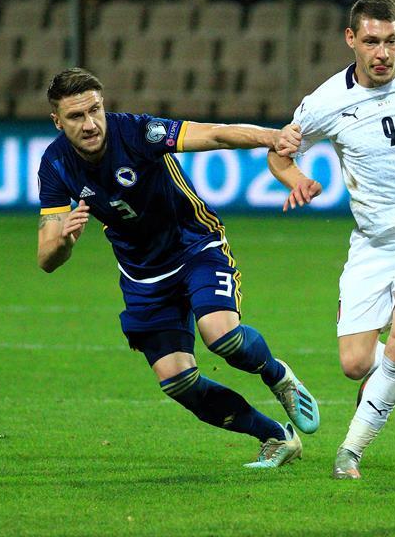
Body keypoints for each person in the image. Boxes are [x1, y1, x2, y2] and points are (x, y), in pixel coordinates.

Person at [37, 67, 319, 469]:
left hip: (194, 246)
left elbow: (215, 133)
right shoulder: (55, 164)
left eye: (95, 110)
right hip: (142, 275)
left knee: (221, 336)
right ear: (57, 121)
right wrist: (64, 240)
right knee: (177, 382)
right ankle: (275, 437)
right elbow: (46, 259)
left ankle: (278, 376)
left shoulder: (137, 133)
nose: (90, 124)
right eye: (76, 117)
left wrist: (272, 137)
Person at [268, 0, 395, 479]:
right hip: (372, 241)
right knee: (355, 363)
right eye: (370, 42)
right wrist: (296, 179)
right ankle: (385, 377)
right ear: (351, 40)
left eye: (389, 41)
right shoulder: (324, 103)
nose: (381, 53)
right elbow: (279, 154)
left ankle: (351, 451)